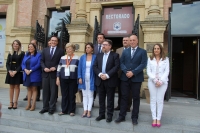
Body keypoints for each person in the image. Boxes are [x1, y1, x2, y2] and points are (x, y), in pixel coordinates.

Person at [115, 35, 147, 125]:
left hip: (136, 78)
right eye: (131, 40)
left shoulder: (142, 51)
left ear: (137, 41)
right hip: (125, 78)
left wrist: (133, 72)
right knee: (124, 97)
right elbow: (121, 63)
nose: (132, 42)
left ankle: (134, 117)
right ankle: (122, 116)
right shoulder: (126, 51)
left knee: (136, 98)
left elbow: (143, 64)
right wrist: (126, 71)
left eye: (134, 40)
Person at [93, 39, 119, 123]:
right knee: (101, 99)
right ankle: (101, 115)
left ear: (110, 46)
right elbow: (95, 66)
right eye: (103, 44)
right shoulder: (99, 55)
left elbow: (116, 67)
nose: (103, 46)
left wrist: (107, 75)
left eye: (105, 44)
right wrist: (100, 74)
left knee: (110, 99)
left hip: (110, 80)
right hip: (100, 80)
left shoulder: (115, 55)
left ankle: (109, 115)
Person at [39, 36, 64, 115]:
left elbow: (61, 62)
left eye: (55, 41)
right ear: (50, 41)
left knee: (53, 92)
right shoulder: (45, 50)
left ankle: (52, 108)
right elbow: (41, 61)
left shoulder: (61, 51)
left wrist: (55, 67)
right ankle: (45, 107)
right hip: (45, 74)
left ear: (57, 42)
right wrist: (44, 68)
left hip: (54, 74)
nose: (53, 42)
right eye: (52, 40)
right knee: (45, 92)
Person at [147, 44, 169, 127]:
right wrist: (155, 80)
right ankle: (154, 118)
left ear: (160, 49)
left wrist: (160, 81)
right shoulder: (150, 59)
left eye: (158, 48)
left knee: (159, 100)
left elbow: (167, 72)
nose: (156, 50)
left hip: (163, 83)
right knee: (153, 99)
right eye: (155, 48)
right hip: (152, 82)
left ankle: (158, 118)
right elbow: (148, 71)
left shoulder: (166, 59)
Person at [56, 43, 79, 116]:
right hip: (63, 78)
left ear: (73, 49)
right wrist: (57, 78)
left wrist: (79, 78)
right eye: (67, 48)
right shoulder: (63, 58)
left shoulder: (77, 58)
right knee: (64, 94)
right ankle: (64, 110)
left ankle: (72, 110)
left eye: (70, 48)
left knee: (72, 94)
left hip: (73, 78)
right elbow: (59, 68)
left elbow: (79, 69)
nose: (68, 50)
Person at [78, 43, 96, 118]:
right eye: (86, 48)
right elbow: (79, 68)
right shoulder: (82, 57)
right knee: (84, 95)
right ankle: (85, 110)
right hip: (83, 78)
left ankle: (89, 111)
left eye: (89, 47)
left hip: (92, 78)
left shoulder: (95, 57)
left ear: (92, 49)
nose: (87, 49)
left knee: (90, 95)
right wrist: (79, 77)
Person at [21, 43, 42, 111]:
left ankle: (33, 105)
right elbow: (23, 63)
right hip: (27, 74)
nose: (30, 48)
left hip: (35, 74)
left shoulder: (38, 55)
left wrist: (31, 70)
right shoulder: (26, 55)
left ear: (34, 48)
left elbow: (39, 64)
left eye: (31, 47)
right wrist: (25, 69)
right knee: (29, 89)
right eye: (29, 47)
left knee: (34, 89)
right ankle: (28, 104)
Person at [5, 40, 25, 109]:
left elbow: (22, 64)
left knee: (17, 86)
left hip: (18, 72)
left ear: (19, 45)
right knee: (11, 87)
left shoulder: (22, 53)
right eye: (14, 44)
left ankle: (15, 102)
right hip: (10, 71)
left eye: (17, 44)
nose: (15, 45)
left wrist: (16, 71)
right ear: (12, 45)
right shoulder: (10, 53)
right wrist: (9, 71)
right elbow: (7, 63)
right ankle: (11, 102)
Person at [114, 37, 132, 112]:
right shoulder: (118, 50)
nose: (124, 41)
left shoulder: (132, 50)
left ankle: (128, 106)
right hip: (120, 73)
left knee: (129, 91)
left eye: (126, 40)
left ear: (129, 41)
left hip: (129, 74)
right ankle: (119, 105)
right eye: (123, 40)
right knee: (120, 90)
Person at [93, 33, 105, 106]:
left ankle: (102, 103)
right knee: (93, 86)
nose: (99, 39)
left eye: (100, 38)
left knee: (101, 87)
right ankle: (92, 101)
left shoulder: (105, 47)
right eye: (98, 38)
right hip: (95, 69)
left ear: (103, 39)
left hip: (103, 70)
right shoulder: (94, 47)